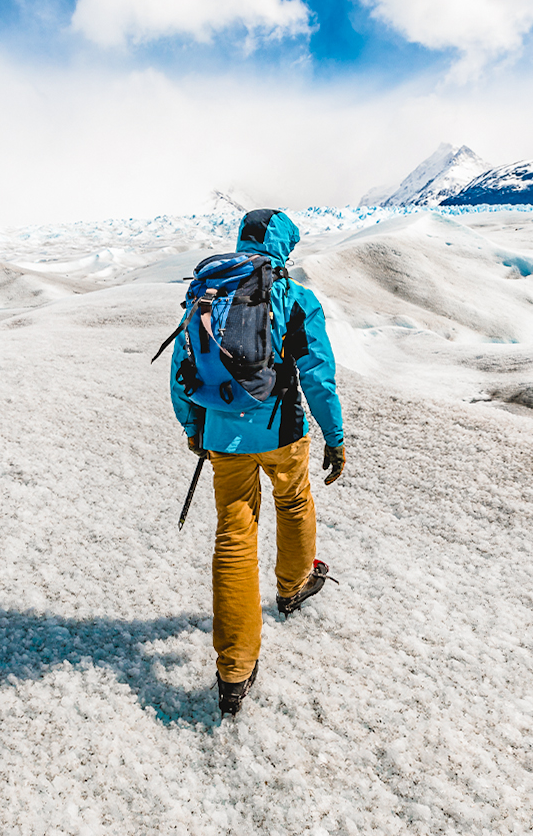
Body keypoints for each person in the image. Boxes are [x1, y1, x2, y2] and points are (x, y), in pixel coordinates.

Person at [168, 208, 346, 716]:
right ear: (284, 242)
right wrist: (334, 436)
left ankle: (234, 670)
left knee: (234, 535)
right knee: (293, 501)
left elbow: (183, 366)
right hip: (281, 428)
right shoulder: (292, 294)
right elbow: (317, 373)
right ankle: (292, 588)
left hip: (223, 433)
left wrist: (193, 428)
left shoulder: (211, 289)